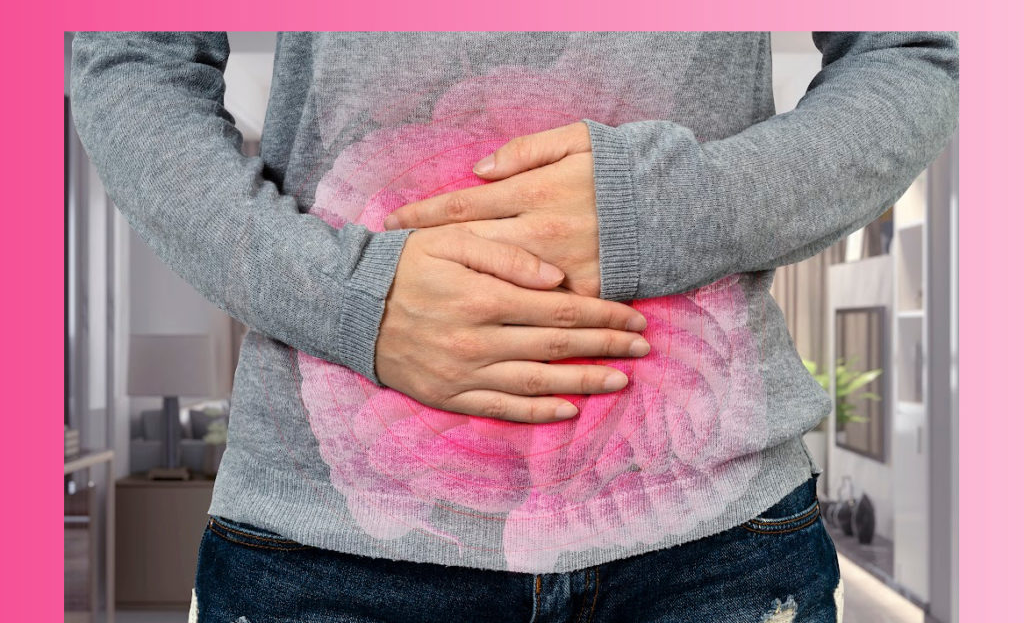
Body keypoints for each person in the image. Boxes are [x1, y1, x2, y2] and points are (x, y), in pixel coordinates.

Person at [69, 31, 958, 622]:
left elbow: (913, 48)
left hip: (714, 548)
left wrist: (661, 212)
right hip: (326, 554)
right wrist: (353, 300)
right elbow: (129, 59)